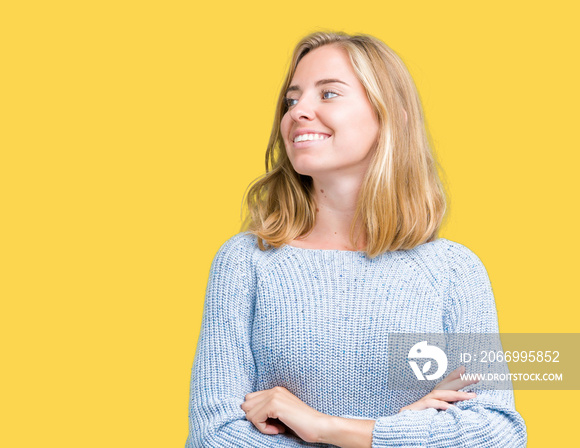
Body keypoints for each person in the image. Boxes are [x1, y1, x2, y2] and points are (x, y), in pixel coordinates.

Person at [185, 31, 527, 447]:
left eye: (328, 94)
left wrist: (329, 428)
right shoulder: (246, 262)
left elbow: (498, 433)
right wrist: (402, 434)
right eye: (291, 101)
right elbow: (214, 437)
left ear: (392, 115)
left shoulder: (453, 272)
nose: (298, 112)